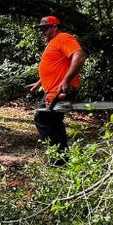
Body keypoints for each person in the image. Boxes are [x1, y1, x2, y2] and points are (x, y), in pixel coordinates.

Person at [27, 16, 86, 159]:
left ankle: (57, 159)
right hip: (53, 89)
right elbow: (56, 65)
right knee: (53, 121)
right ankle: (62, 157)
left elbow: (79, 56)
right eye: (41, 29)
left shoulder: (64, 38)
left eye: (45, 28)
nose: (42, 32)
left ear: (54, 27)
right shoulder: (53, 42)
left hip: (61, 90)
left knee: (42, 119)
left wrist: (66, 80)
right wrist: (40, 82)